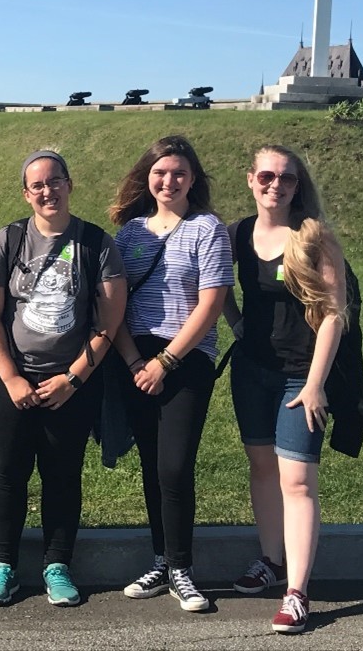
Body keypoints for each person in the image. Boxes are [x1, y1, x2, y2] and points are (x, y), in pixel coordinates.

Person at [0, 149, 126, 607]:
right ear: (26, 193)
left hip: (69, 385)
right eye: (38, 185)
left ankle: (57, 564)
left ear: (69, 184)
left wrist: (74, 379)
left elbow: (108, 322)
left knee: (62, 474)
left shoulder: (97, 243)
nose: (48, 191)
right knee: (6, 475)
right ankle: (3, 566)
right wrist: (10, 377)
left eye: (55, 181)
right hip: (12, 380)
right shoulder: (8, 239)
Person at [222, 145, 347, 634]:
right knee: (261, 468)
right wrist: (235, 325)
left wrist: (316, 384)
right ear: (251, 179)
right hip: (252, 372)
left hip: (301, 375)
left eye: (288, 179)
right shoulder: (236, 234)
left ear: (298, 186)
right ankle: (269, 560)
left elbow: (334, 313)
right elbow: (216, 288)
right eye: (268, 176)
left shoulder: (314, 237)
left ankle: (297, 592)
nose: (277, 185)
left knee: (297, 481)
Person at [109, 135, 233, 613]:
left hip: (186, 359)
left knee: (175, 466)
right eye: (160, 173)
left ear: (193, 179)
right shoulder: (129, 233)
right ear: (148, 177)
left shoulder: (207, 229)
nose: (169, 181)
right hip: (135, 359)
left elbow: (212, 303)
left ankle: (182, 566)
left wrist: (166, 362)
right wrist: (136, 361)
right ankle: (161, 559)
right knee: (150, 465)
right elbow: (113, 306)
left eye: (179, 173)